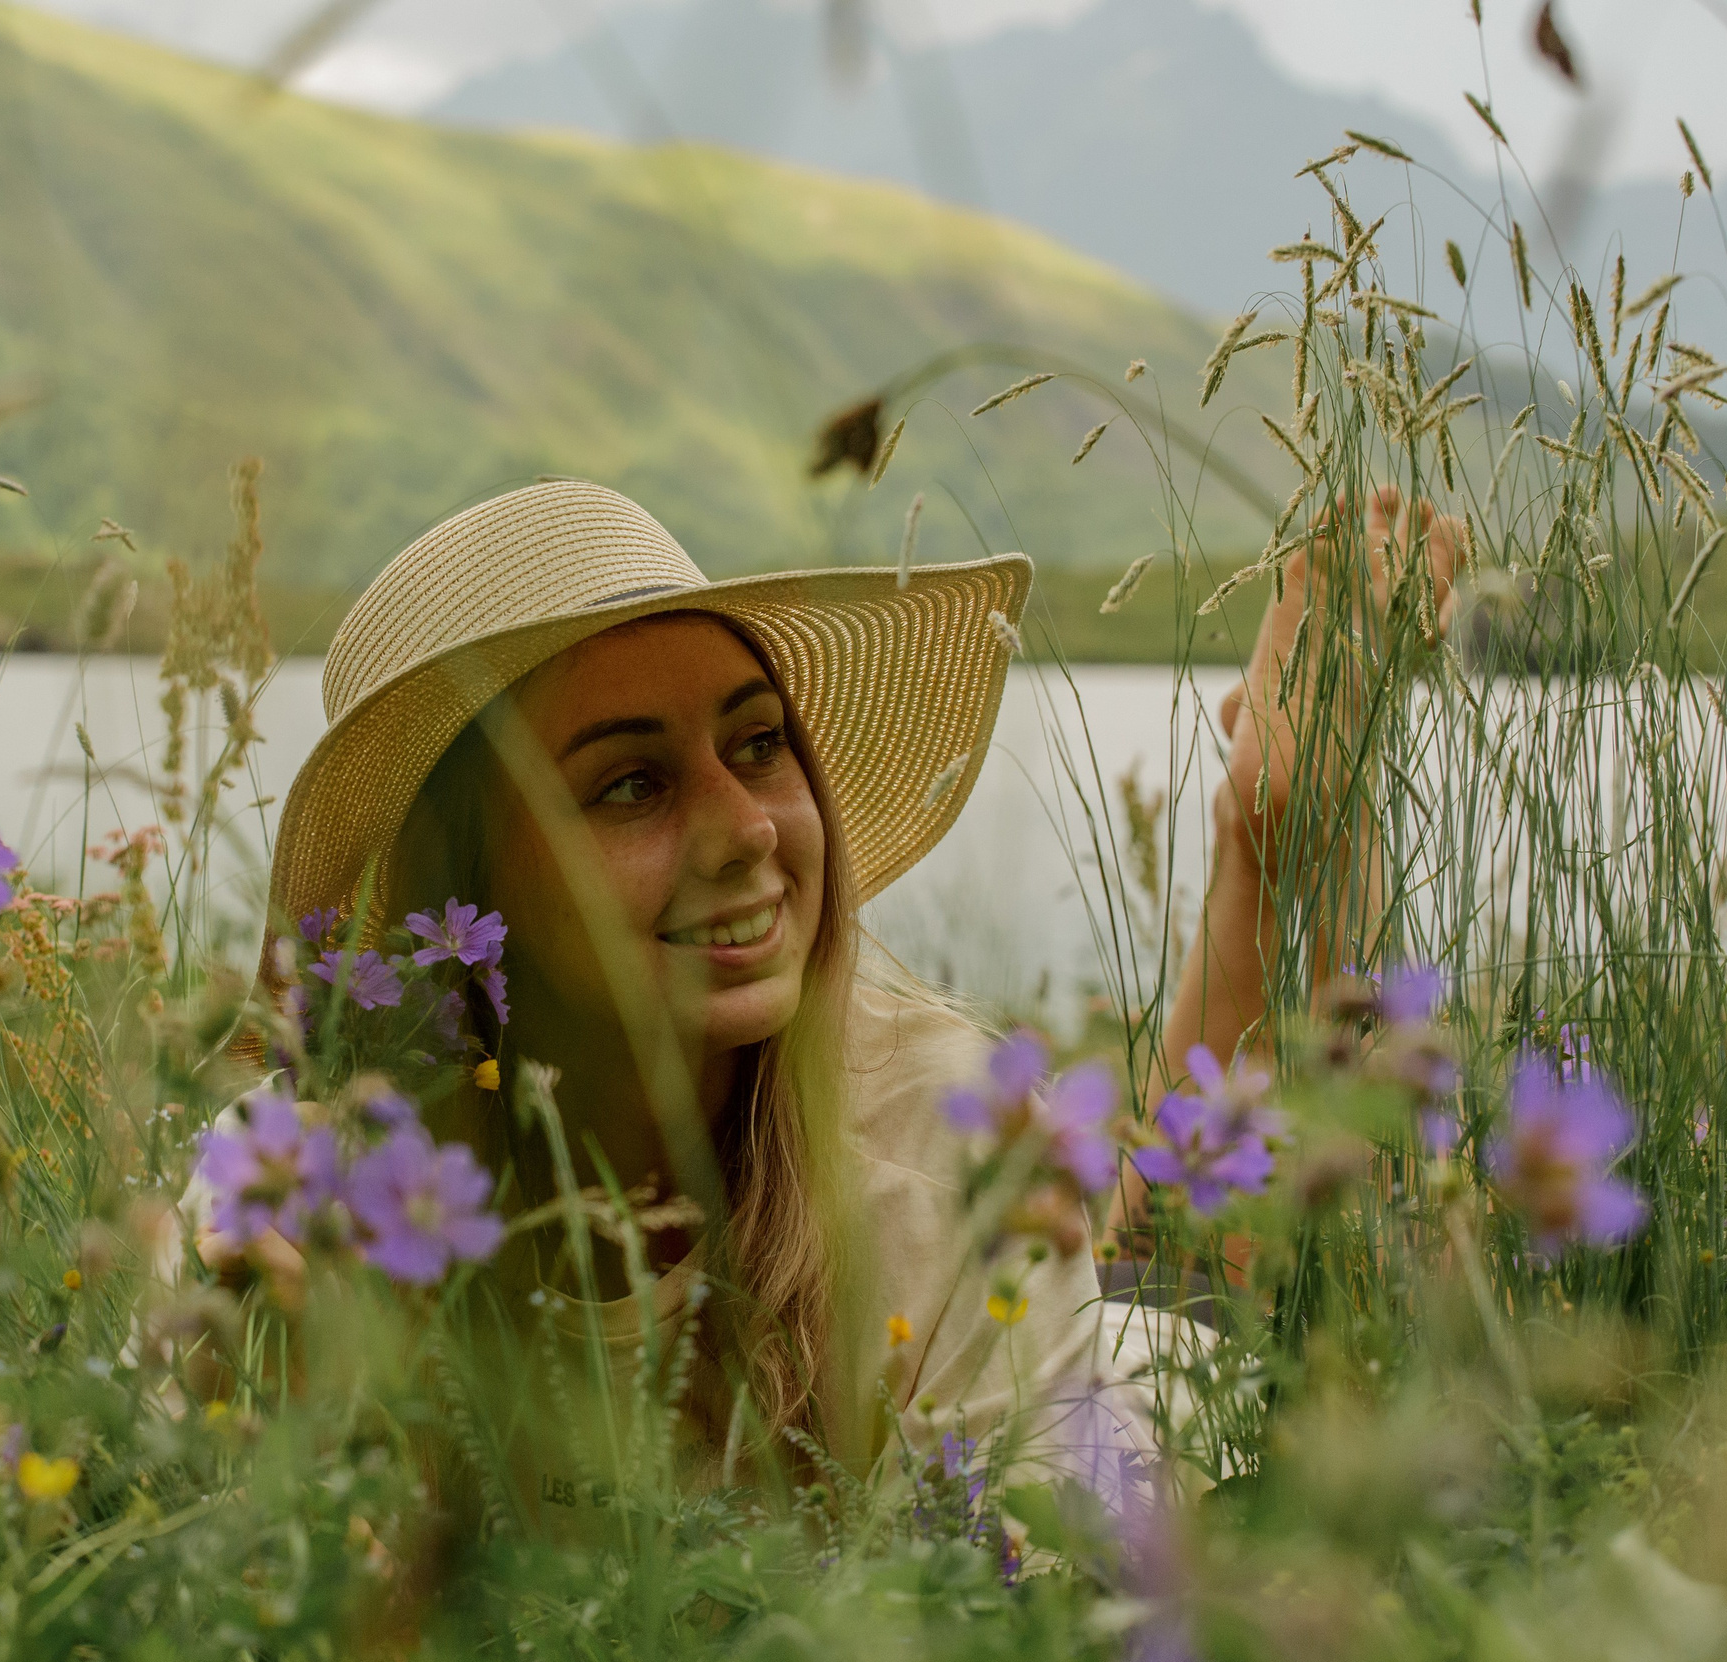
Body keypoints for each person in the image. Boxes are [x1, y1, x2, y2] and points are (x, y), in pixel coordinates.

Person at [238, 476, 1459, 1496]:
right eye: (629, 785)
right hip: (1018, 1281)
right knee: (1134, 1221)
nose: (746, 831)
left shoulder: (936, 1141)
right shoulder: (310, 1198)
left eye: (760, 743)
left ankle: (1287, 836)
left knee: (1235, 1265)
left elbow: (1015, 1613)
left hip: (1128, 1405)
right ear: (465, 892)